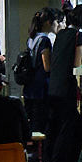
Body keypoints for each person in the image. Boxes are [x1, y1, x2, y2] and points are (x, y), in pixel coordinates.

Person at [45, 4, 82, 162]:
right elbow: (77, 64)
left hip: (54, 87)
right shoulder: (79, 35)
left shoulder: (61, 34)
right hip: (66, 87)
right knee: (73, 127)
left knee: (59, 126)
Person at [20, 8, 58, 146]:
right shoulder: (44, 40)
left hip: (29, 87)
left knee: (31, 123)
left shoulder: (32, 38)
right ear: (49, 22)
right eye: (55, 22)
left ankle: (31, 156)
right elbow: (47, 66)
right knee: (41, 125)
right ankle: (39, 159)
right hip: (41, 88)